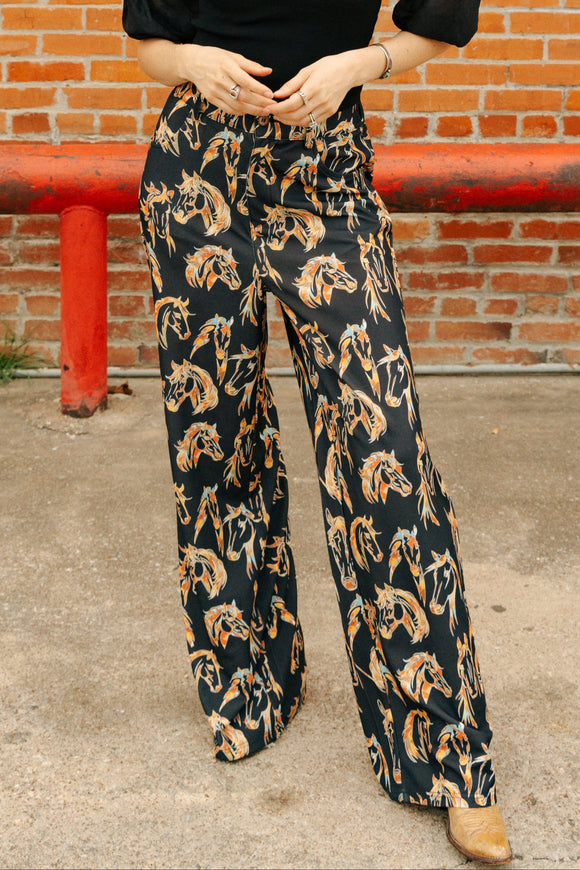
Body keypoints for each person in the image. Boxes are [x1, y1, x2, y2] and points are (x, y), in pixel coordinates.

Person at [122, 0, 512, 863]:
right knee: (215, 444)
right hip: (196, 180)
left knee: (387, 460)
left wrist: (357, 65)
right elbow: (147, 42)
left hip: (326, 181)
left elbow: (442, 21)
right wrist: (191, 62)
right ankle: (249, 685)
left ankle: (453, 762)